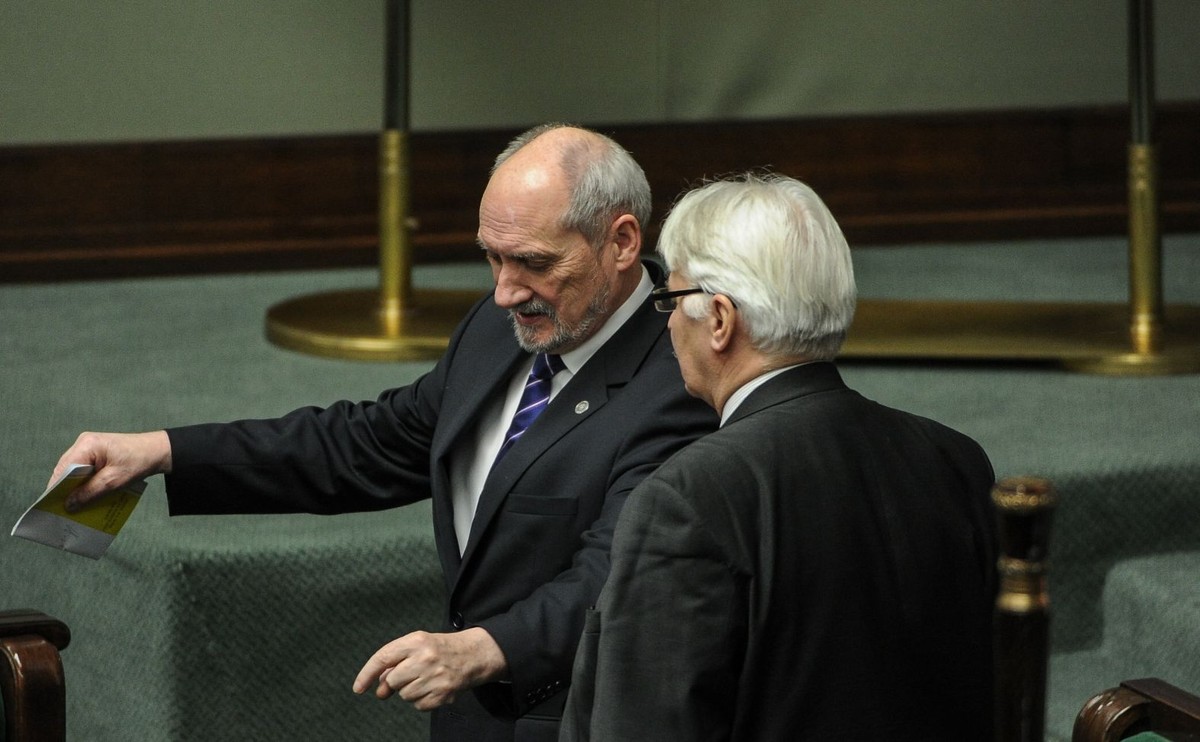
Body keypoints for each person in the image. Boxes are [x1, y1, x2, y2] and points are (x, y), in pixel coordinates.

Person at [51, 123, 718, 742]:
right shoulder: (499, 326)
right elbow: (370, 443)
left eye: (533, 263)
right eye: (491, 258)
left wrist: (486, 648)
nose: (506, 290)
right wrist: (163, 452)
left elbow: (620, 571)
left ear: (622, 242)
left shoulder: (680, 381)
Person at [560, 173, 998, 741]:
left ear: (719, 320)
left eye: (670, 298)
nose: (666, 322)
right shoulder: (956, 459)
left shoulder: (687, 499)